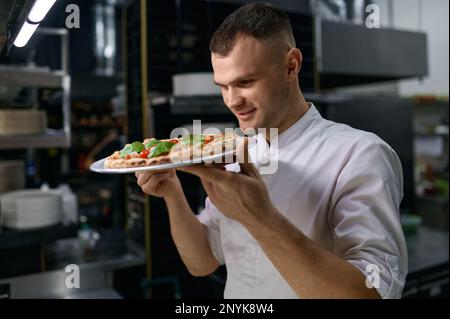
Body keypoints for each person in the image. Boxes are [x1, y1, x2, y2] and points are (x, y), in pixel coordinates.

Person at [136, 3, 407, 299]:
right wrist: (173, 193)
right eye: (223, 86)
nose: (232, 101)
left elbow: (372, 293)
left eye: (245, 82)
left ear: (291, 66)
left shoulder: (360, 154)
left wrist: (260, 216)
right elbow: (202, 261)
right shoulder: (235, 151)